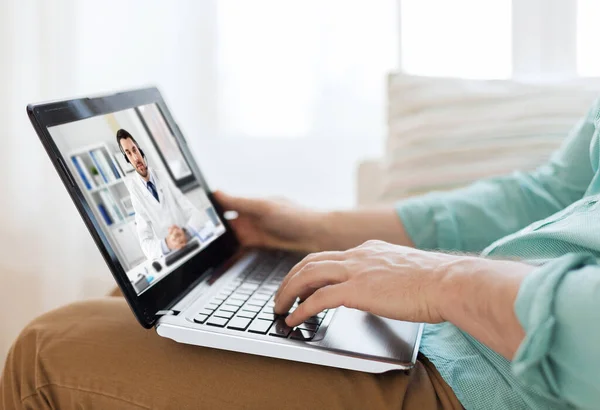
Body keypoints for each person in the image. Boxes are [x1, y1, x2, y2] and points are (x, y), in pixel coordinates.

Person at [2, 99, 600, 409]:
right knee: (164, 307)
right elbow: (549, 193)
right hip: (474, 335)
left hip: (514, 384)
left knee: (51, 350)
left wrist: (443, 281)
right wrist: (318, 227)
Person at [117, 129, 206, 260]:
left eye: (134, 150)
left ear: (140, 150)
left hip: (190, 243)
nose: (135, 158)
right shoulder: (135, 191)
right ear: (127, 159)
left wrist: (185, 232)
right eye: (129, 153)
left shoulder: (163, 175)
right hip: (172, 255)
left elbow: (195, 213)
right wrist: (167, 244)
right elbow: (145, 243)